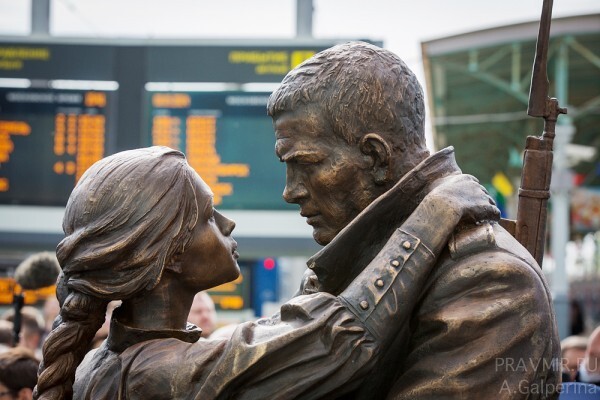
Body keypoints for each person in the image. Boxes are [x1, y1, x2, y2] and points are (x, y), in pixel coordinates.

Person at [33, 146, 496, 399]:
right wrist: (435, 214)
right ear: (168, 255)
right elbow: (342, 341)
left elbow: (281, 336)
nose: (227, 224)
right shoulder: (158, 374)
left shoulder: (105, 363)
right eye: (209, 217)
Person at [267, 41, 560, 398]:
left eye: (306, 164)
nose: (291, 191)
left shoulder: (489, 281)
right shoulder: (350, 266)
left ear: (376, 158)